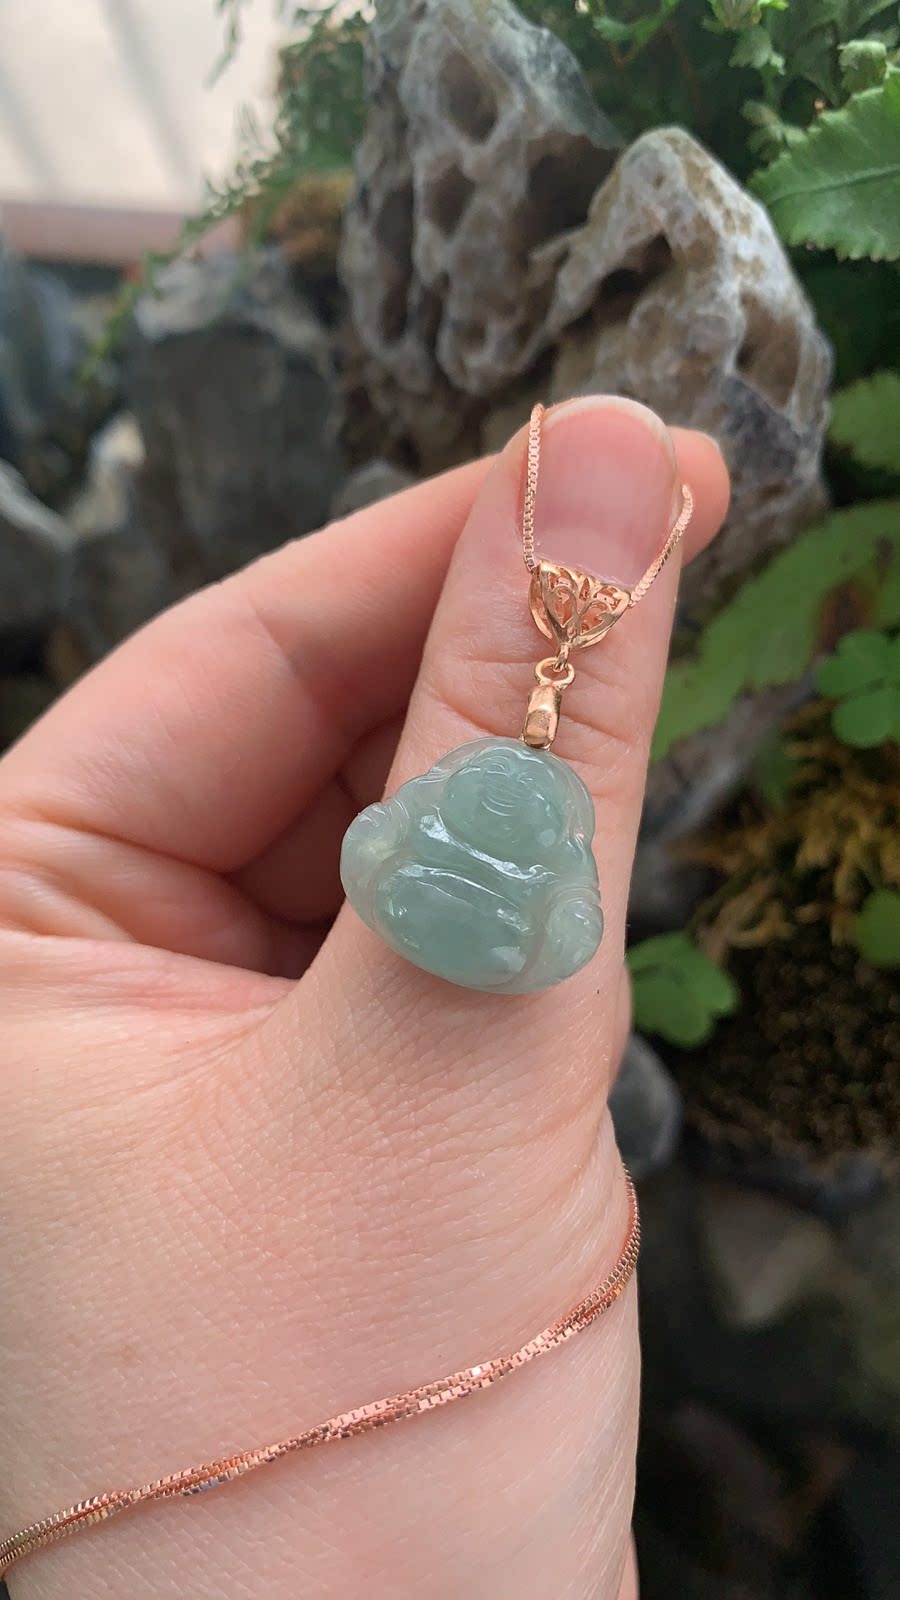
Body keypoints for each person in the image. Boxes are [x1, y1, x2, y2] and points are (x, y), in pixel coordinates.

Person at [0, 396, 729, 1598]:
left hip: (487, 931)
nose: (507, 804)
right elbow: (379, 844)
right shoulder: (437, 814)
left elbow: (567, 923)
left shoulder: (544, 830)